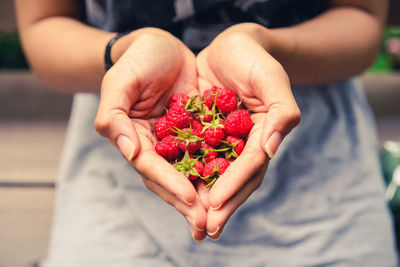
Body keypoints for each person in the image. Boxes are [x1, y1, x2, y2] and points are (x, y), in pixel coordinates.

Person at [15, 0, 398, 266]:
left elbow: (360, 17)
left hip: (318, 157)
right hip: (126, 130)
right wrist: (127, 50)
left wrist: (264, 45)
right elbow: (43, 26)